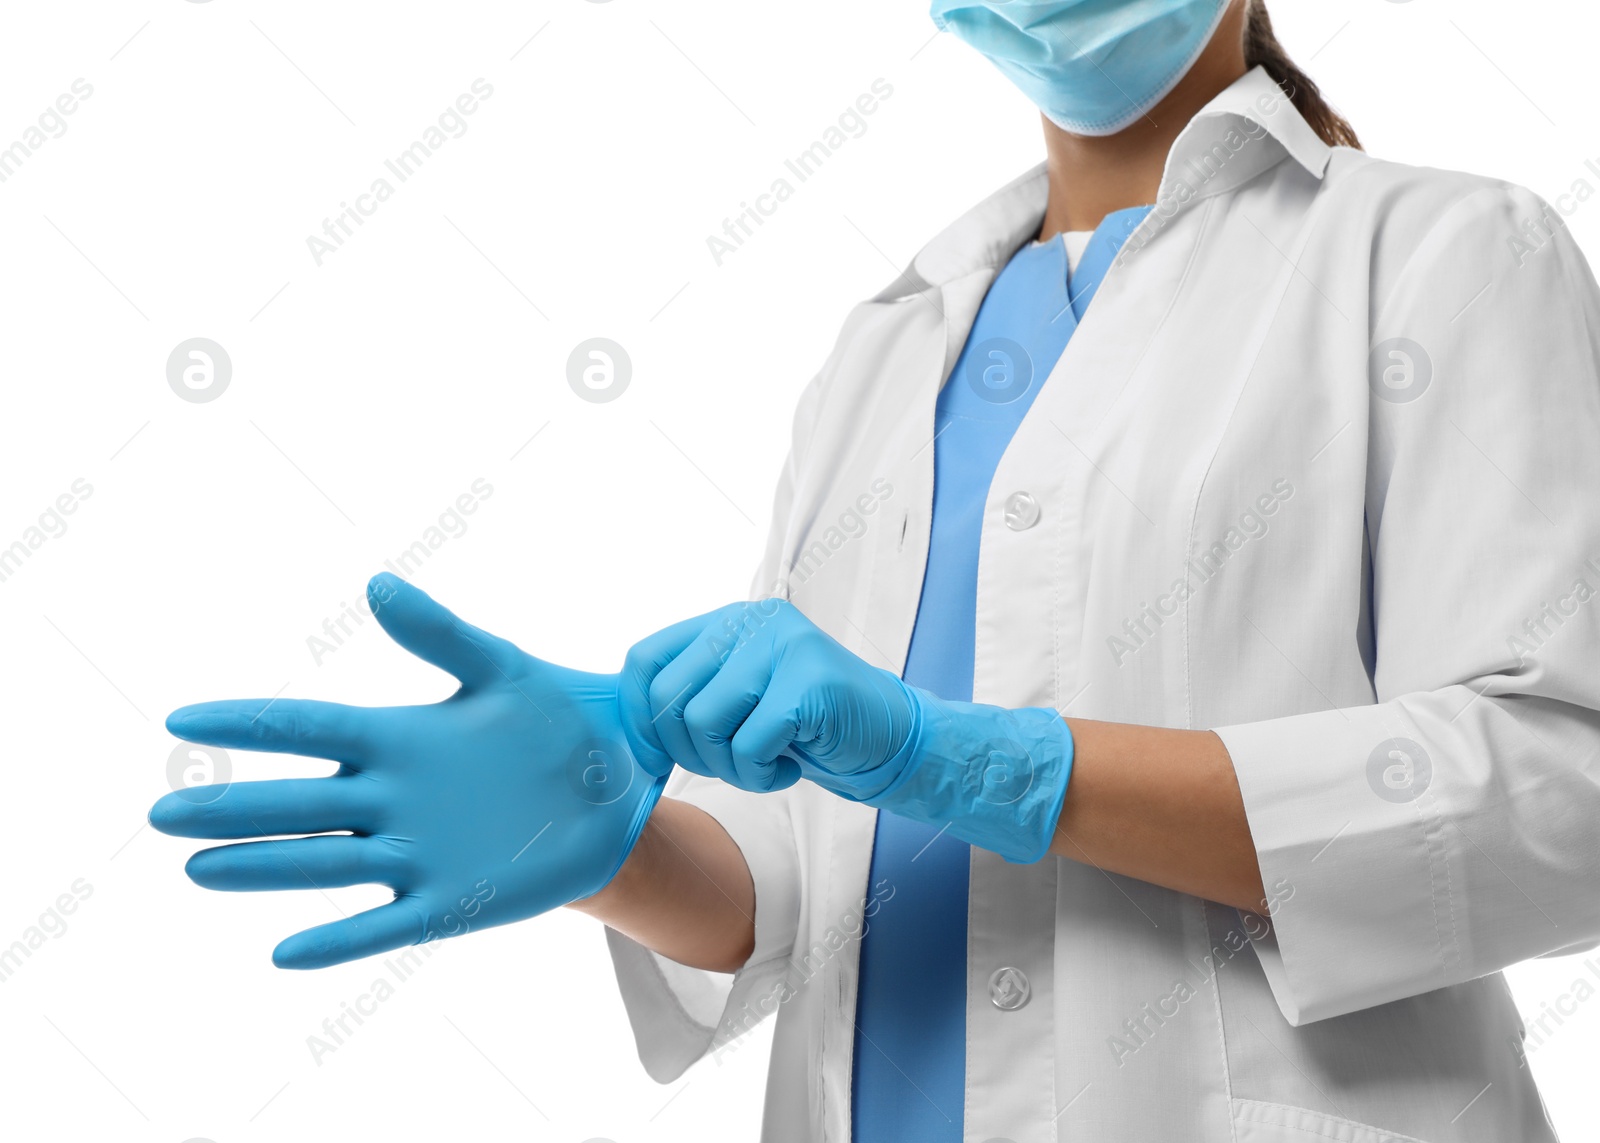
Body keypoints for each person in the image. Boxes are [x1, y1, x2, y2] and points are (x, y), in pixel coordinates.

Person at [151, 2, 1600, 1140]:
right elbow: (799, 875)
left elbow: (1562, 791)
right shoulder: (887, 347)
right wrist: (613, 843)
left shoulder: (1442, 252)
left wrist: (989, 765)